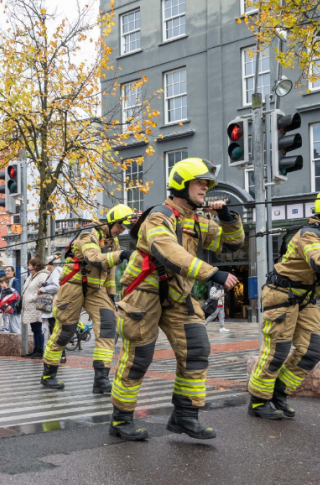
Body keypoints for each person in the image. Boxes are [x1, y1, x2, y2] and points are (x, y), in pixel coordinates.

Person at [110, 157, 244, 441]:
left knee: (196, 351)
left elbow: (231, 244)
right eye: (199, 182)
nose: (204, 188)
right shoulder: (159, 216)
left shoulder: (197, 219)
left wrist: (228, 219)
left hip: (178, 295)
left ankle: (185, 416)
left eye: (207, 184)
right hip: (144, 294)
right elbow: (168, 251)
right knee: (138, 359)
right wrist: (212, 274)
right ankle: (121, 419)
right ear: (181, 185)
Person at [248, 186, 320, 421]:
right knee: (277, 351)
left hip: (304, 299)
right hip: (281, 296)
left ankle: (279, 393)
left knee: (312, 350)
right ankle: (258, 401)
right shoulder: (308, 234)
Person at [41, 204, 134, 395]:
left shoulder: (112, 240)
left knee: (108, 328)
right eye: (120, 227)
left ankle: (101, 380)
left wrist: (111, 294)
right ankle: (49, 374)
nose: (121, 231)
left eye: (124, 229)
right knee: (65, 331)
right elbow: (94, 258)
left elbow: (110, 271)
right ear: (111, 222)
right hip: (73, 287)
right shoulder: (89, 234)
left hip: (96, 290)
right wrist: (122, 255)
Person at [21, 257, 50, 358]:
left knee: (38, 329)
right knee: (34, 329)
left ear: (35, 266)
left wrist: (33, 298)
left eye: (30, 265)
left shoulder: (42, 276)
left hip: (37, 307)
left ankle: (40, 350)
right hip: (31, 307)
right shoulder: (32, 276)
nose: (28, 267)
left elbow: (45, 289)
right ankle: (35, 350)